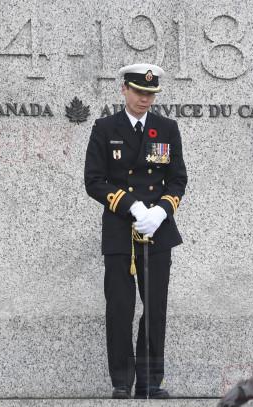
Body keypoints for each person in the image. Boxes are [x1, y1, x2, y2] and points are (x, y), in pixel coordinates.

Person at [84, 63, 188, 399]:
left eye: (151, 94)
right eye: (140, 92)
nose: (145, 99)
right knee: (119, 308)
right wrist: (130, 204)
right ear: (124, 90)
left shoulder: (167, 128)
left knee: (155, 308)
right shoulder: (104, 128)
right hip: (120, 231)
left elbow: (177, 178)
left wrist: (161, 209)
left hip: (157, 231)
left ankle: (149, 381)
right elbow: (94, 180)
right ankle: (121, 381)